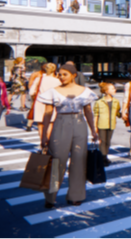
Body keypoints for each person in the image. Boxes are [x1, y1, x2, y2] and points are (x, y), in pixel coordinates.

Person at [39, 62, 99, 208]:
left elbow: (88, 112)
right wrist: (44, 135)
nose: (61, 77)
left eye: (64, 74)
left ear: (74, 75)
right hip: (60, 123)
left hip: (80, 124)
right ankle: (50, 197)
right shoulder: (53, 91)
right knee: (57, 162)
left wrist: (93, 130)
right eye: (59, 74)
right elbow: (47, 114)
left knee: (79, 161)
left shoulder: (85, 91)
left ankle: (76, 195)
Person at [27, 63, 61, 137]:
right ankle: (47, 143)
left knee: (40, 124)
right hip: (51, 103)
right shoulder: (57, 81)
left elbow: (31, 92)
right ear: (54, 70)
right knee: (50, 123)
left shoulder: (39, 79)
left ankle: (42, 144)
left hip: (39, 103)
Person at [94, 82, 121, 166]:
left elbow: (117, 113)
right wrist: (95, 127)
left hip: (111, 124)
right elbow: (96, 115)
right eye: (112, 88)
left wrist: (124, 115)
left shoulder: (116, 101)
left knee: (108, 142)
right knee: (102, 142)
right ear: (106, 91)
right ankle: (103, 158)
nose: (114, 90)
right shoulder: (99, 102)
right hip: (101, 125)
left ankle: (105, 157)